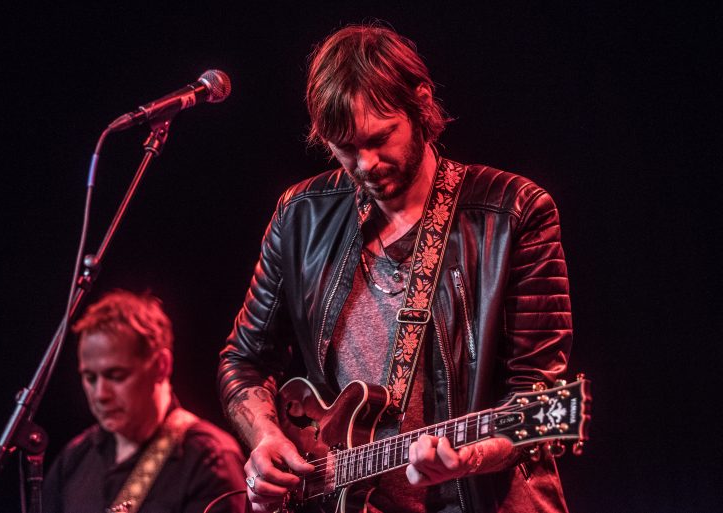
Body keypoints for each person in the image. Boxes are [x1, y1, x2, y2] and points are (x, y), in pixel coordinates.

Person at [218, 23, 572, 513]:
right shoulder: (299, 215)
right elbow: (244, 359)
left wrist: (465, 459)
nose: (364, 164)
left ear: (421, 104)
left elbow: (539, 401)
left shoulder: (515, 213)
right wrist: (265, 438)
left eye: (380, 137)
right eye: (344, 148)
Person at [44, 290, 247, 513]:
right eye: (90, 377)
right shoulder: (73, 460)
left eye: (116, 375)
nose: (100, 393)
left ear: (161, 366)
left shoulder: (210, 460)